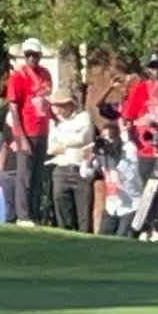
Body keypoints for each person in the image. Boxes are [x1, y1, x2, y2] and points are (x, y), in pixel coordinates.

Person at [5, 38, 53, 226]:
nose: (32, 58)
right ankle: (22, 215)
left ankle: (34, 213)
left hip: (43, 129)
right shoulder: (18, 77)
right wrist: (20, 136)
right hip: (27, 129)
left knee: (38, 175)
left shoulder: (46, 75)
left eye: (35, 54)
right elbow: (14, 108)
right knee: (24, 174)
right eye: (28, 55)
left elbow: (46, 100)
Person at [46, 88, 95, 232]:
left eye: (61, 105)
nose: (58, 109)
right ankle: (65, 234)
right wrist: (69, 143)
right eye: (56, 105)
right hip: (61, 167)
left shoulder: (83, 118)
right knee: (60, 202)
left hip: (80, 168)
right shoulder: (54, 124)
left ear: (70, 104)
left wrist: (62, 143)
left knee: (83, 210)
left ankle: (84, 237)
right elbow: (50, 148)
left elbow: (83, 138)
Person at [122, 54, 158, 190]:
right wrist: (135, 142)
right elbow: (128, 119)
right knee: (148, 190)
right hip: (146, 150)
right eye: (151, 67)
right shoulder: (139, 90)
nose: (155, 70)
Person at [97, 116, 142, 236]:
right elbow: (85, 173)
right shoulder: (104, 154)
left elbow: (127, 177)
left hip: (129, 205)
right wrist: (90, 157)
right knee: (102, 240)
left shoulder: (128, 149)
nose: (106, 142)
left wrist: (112, 160)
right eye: (104, 138)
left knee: (122, 239)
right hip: (111, 205)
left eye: (109, 138)